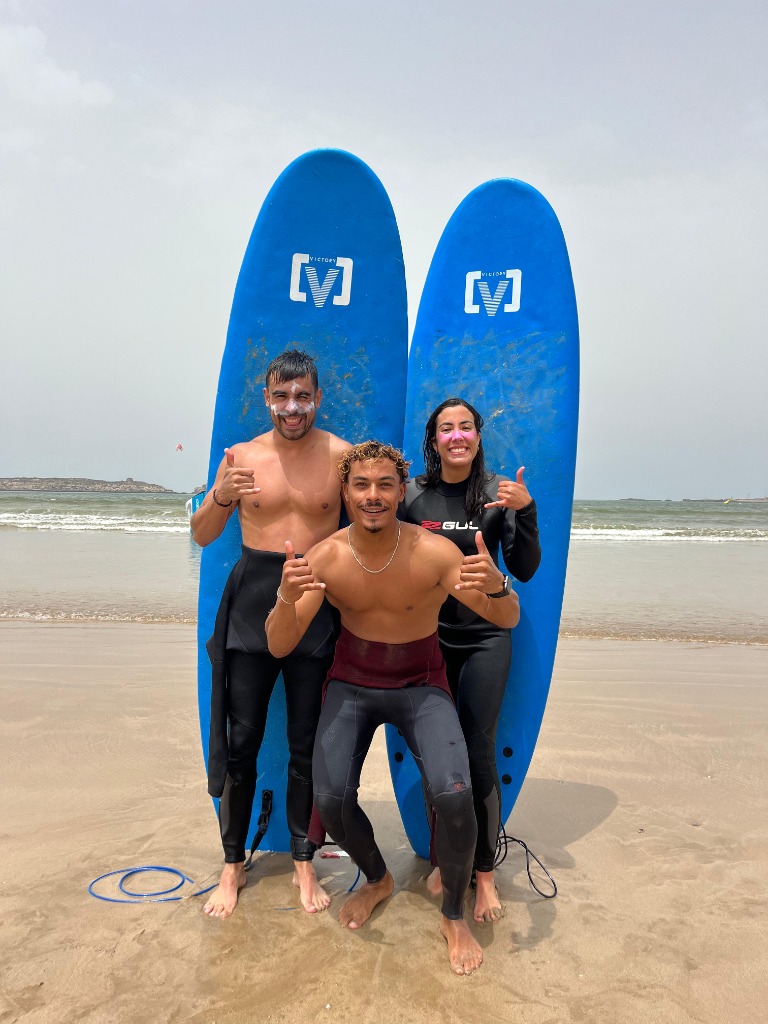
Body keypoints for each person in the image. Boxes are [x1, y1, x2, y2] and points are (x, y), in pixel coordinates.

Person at [265, 441, 520, 976]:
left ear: (402, 491)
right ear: (345, 493)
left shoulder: (432, 552)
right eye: (362, 485)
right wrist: (287, 600)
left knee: (454, 795)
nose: (374, 495)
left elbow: (506, 619)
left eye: (385, 485)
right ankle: (378, 877)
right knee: (331, 800)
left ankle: (453, 914)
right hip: (353, 682)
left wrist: (499, 587)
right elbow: (279, 645)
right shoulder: (328, 557)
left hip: (422, 681)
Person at [191, 349, 350, 918]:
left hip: (314, 596)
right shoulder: (241, 457)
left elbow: (373, 528)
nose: (292, 407)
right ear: (267, 398)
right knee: (243, 740)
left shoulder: (343, 456)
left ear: (317, 398)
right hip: (253, 597)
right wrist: (222, 495)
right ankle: (232, 866)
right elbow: (204, 533)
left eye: (303, 396)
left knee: (306, 742)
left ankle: (305, 864)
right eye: (281, 396)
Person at [400, 397, 541, 923]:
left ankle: (484, 875)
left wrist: (524, 512)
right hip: (429, 639)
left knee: (477, 752)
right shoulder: (414, 496)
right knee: (436, 756)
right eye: (445, 429)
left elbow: (524, 569)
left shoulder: (499, 495)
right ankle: (443, 858)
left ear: (477, 436)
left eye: (465, 427)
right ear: (434, 441)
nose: (456, 436)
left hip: (485, 639)